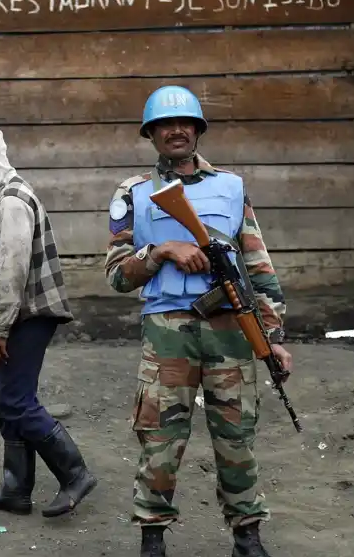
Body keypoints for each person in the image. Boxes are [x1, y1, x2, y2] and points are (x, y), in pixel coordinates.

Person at [103, 85, 294, 557]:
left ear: (198, 130)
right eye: (166, 125)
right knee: (161, 437)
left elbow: (259, 268)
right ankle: (152, 538)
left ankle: (247, 537)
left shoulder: (231, 187)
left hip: (230, 330)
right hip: (168, 334)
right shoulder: (135, 194)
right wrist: (163, 251)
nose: (177, 130)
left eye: (186, 123)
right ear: (151, 134)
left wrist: (274, 337)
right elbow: (116, 275)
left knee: (237, 435)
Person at [0, 123, 98, 519]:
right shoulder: (2, 199)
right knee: (5, 398)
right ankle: (16, 491)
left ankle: (75, 473)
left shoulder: (12, 202)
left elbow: (12, 272)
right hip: (19, 313)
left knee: (16, 400)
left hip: (30, 315)